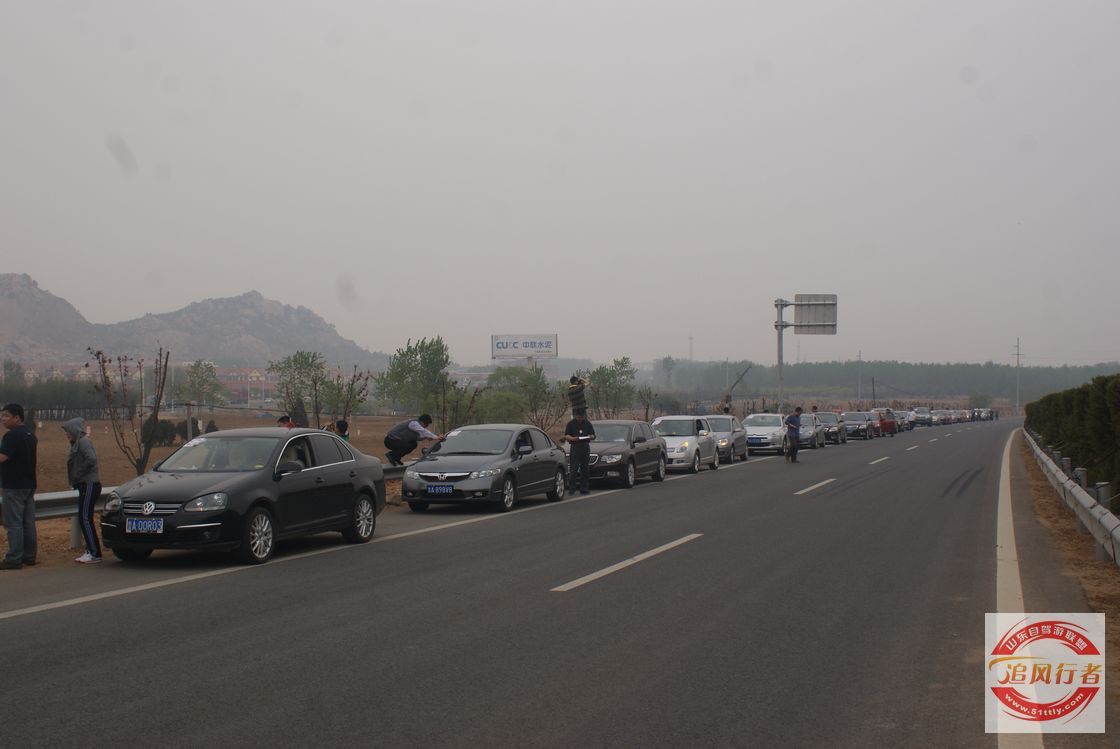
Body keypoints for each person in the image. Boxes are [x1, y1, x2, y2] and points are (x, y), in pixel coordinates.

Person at [0, 403, 38, 570]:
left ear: (17, 417)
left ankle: (14, 558)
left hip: (14, 486)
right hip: (29, 484)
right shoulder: (30, 435)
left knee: (14, 523)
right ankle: (29, 556)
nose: (2, 419)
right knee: (28, 523)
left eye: (6, 416)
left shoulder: (11, 436)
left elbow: (3, 457)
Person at [63, 417, 102, 564]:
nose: (67, 434)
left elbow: (91, 459)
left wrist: (78, 474)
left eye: (68, 431)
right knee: (84, 517)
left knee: (85, 517)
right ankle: (90, 550)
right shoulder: (77, 443)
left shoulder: (84, 442)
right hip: (85, 484)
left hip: (89, 484)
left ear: (74, 430)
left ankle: (94, 553)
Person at [561, 411, 596, 494]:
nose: (580, 418)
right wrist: (572, 438)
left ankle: (584, 488)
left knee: (585, 469)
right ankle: (572, 488)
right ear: (575, 416)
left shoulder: (587, 423)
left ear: (583, 416)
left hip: (585, 446)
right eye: (578, 417)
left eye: (581, 417)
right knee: (573, 468)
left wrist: (590, 436)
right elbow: (567, 435)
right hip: (575, 447)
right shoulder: (571, 424)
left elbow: (593, 435)